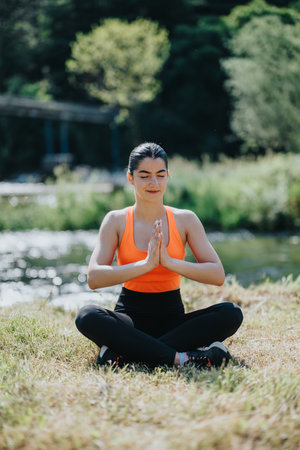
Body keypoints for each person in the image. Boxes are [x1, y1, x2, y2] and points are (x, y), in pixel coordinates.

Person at [75, 143, 243, 369]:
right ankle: (181, 358)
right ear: (130, 178)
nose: (153, 183)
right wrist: (145, 264)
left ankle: (123, 354)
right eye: (144, 176)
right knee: (87, 315)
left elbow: (217, 274)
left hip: (173, 320)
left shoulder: (186, 220)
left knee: (230, 313)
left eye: (160, 175)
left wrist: (169, 262)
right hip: (129, 320)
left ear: (167, 176)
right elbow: (94, 278)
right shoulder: (116, 220)